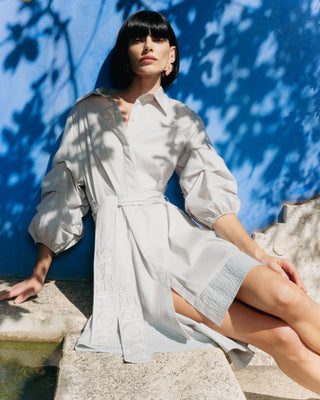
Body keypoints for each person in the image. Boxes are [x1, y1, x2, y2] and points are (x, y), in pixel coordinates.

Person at [1, 10, 320, 393]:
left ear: (172, 57)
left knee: (288, 296)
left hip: (182, 239)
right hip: (129, 259)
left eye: (158, 39)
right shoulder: (89, 112)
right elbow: (63, 189)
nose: (148, 45)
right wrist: (40, 272)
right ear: (126, 54)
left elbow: (211, 198)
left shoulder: (182, 119)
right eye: (138, 39)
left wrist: (261, 255)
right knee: (280, 337)